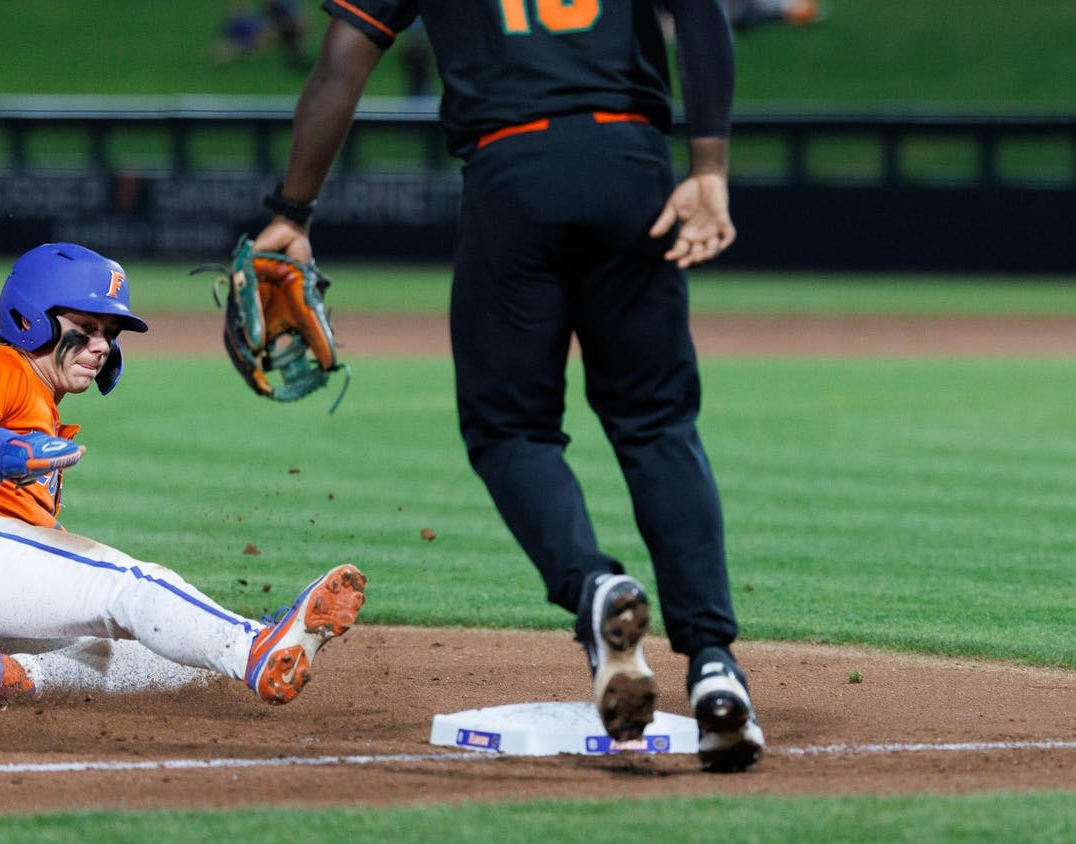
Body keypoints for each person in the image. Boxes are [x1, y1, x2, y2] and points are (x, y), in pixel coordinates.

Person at [252, 1, 764, 772]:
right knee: (655, 421)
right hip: (629, 164)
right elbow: (700, 14)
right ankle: (715, 666)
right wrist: (710, 169)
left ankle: (592, 588)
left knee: (510, 430)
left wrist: (291, 211)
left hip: (512, 172)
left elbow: (342, 57)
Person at [0, 242, 366, 710]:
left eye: (109, 333)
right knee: (132, 586)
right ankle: (255, 647)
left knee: (154, 660)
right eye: (86, 327)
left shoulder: (43, 408)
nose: (101, 347)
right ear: (30, 319)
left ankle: (13, 675)